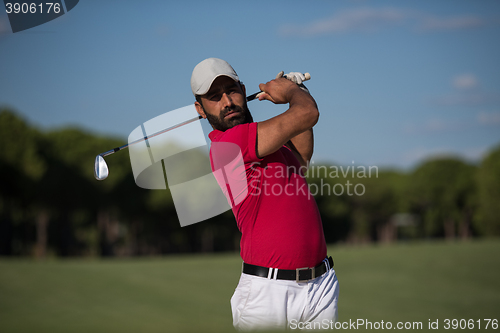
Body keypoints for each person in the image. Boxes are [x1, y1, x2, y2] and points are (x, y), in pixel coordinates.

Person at [191, 58, 339, 331]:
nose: (227, 102)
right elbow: (307, 114)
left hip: (320, 285)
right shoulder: (229, 144)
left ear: (244, 90)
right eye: (214, 97)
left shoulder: (271, 146)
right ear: (200, 109)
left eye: (232, 91)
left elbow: (302, 156)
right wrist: (290, 93)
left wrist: (299, 92)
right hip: (268, 293)